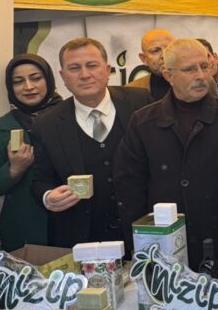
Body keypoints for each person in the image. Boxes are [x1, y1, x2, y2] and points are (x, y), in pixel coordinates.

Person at [115, 39, 218, 272]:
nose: (201, 75)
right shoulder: (144, 122)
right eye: (189, 69)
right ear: (168, 75)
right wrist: (141, 241)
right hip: (163, 245)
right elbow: (129, 187)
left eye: (205, 66)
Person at [30, 38, 153, 251]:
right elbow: (40, 180)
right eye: (74, 68)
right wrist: (48, 196)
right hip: (83, 241)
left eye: (92, 65)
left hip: (144, 233)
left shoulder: (141, 102)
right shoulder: (46, 124)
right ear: (62, 77)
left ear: (107, 70)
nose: (85, 75)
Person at [0, 53, 63, 251]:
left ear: (49, 80)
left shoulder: (73, 115)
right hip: (26, 231)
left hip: (75, 222)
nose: (28, 87)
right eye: (18, 81)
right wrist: (14, 170)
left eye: (36, 78)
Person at [126, 28, 175, 100]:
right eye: (156, 51)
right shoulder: (130, 92)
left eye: (169, 48)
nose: (164, 55)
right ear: (144, 59)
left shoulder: (193, 83)